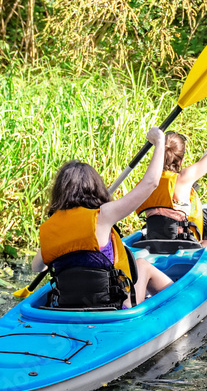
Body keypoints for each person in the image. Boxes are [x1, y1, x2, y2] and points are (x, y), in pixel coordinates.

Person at [31, 127, 173, 309]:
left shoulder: (50, 229)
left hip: (69, 307)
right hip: (114, 306)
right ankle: (177, 302)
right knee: (142, 265)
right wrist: (160, 142)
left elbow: (37, 267)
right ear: (94, 188)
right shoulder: (103, 216)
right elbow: (151, 183)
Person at [136, 114, 207, 246]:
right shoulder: (184, 177)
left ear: (158, 153)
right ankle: (204, 245)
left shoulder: (147, 182)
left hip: (153, 241)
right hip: (183, 244)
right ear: (181, 160)